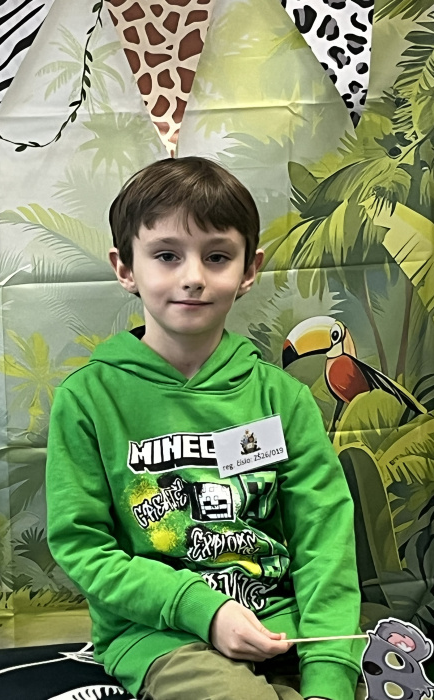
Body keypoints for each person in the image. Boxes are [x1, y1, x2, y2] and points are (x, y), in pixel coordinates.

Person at [46, 157, 363, 700]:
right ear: (125, 268)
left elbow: (324, 538)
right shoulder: (87, 401)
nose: (193, 276)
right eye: (166, 255)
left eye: (216, 256)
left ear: (249, 270)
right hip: (160, 634)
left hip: (286, 627)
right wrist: (204, 610)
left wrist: (329, 674)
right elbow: (84, 547)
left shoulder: (283, 399)